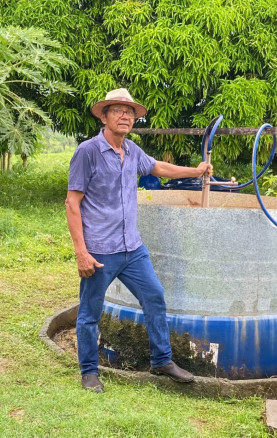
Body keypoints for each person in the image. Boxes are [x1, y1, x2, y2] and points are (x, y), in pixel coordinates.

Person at [65, 88, 212, 393]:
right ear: (104, 116)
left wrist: (195, 171)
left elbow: (158, 167)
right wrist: (81, 252)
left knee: (155, 297)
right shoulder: (88, 151)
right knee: (90, 312)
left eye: (129, 112)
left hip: (133, 248)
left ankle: (162, 360)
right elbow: (72, 203)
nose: (125, 116)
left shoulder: (131, 151)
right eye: (118, 110)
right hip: (100, 251)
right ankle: (89, 372)